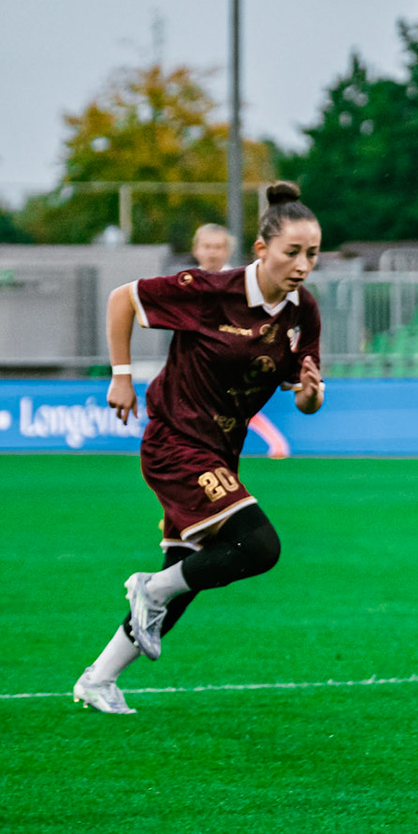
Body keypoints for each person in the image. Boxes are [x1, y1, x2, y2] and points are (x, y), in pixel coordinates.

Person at [70, 183, 325, 714]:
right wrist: (121, 377)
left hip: (221, 449)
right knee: (259, 547)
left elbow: (305, 401)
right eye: (292, 252)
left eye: (313, 254)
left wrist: (309, 395)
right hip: (176, 440)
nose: (303, 265)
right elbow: (124, 298)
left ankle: (99, 678)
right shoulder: (210, 290)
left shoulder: (304, 314)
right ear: (261, 249)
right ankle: (150, 590)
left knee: (187, 566)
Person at [193, 222, 290, 458]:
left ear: (227, 251)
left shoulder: (243, 283)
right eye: (207, 246)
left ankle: (274, 442)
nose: (212, 252)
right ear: (196, 249)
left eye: (218, 246)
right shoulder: (187, 282)